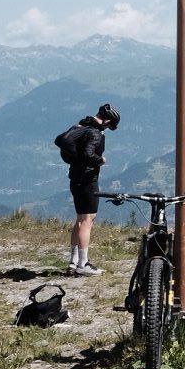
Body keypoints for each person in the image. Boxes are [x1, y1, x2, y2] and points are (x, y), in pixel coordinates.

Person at [62, 103, 120, 276]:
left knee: (79, 220)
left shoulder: (81, 126)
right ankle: (83, 264)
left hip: (74, 177)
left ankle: (73, 262)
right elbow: (88, 154)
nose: (109, 129)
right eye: (111, 126)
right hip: (88, 180)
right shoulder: (95, 133)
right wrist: (100, 159)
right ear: (107, 121)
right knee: (88, 220)